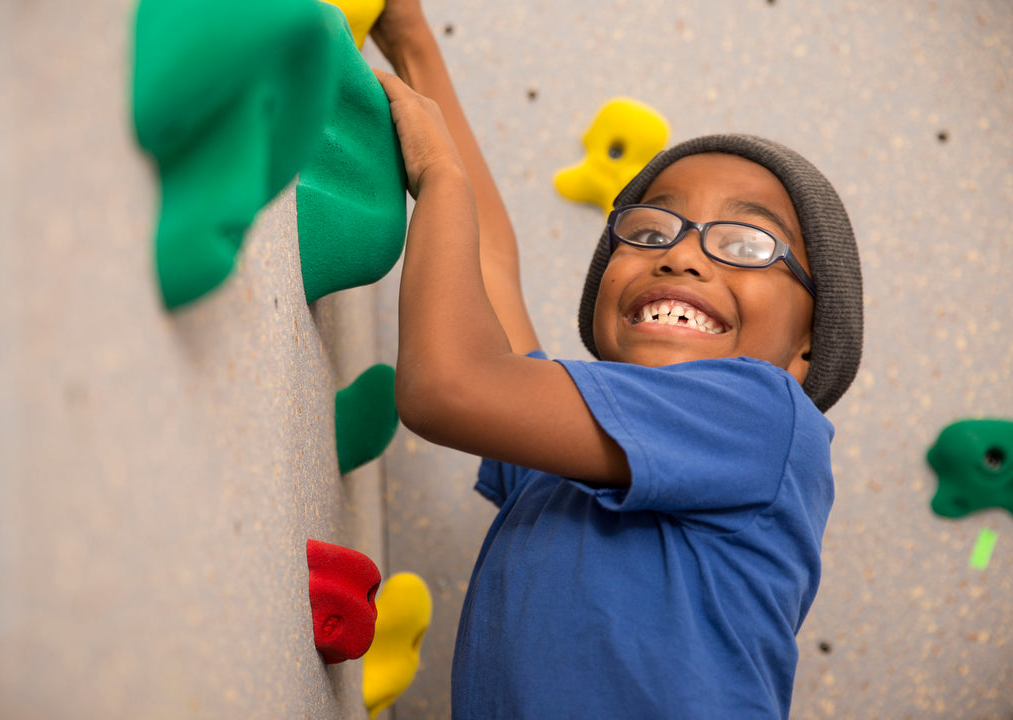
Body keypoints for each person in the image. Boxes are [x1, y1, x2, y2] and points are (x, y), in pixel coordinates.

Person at [369, 1, 863, 717]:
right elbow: (491, 263)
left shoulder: (764, 417)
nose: (685, 254)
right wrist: (410, 39)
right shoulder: (563, 455)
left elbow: (446, 386)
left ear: (806, 349)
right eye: (651, 228)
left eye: (748, 243)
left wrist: (439, 177)